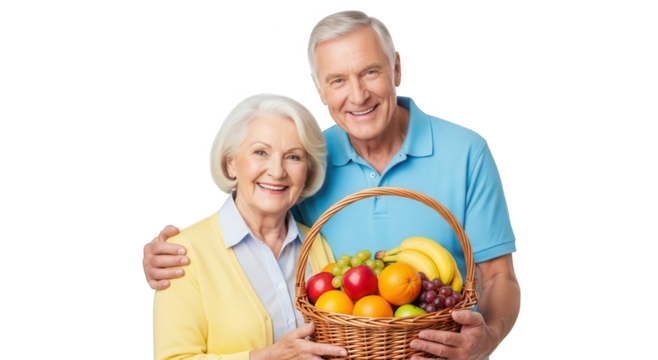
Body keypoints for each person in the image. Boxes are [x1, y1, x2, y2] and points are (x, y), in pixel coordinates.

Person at [145, 10, 520, 360]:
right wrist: (167, 256)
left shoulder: (467, 151)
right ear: (319, 89)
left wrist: (485, 339)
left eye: (371, 72)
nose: (357, 96)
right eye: (338, 80)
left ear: (396, 68)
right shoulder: (307, 158)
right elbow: (253, 217)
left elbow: (499, 275)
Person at [151, 93, 348, 359]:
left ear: (308, 171)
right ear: (231, 163)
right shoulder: (181, 253)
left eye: (293, 157)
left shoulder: (318, 244)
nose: (277, 171)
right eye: (260, 152)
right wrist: (269, 356)